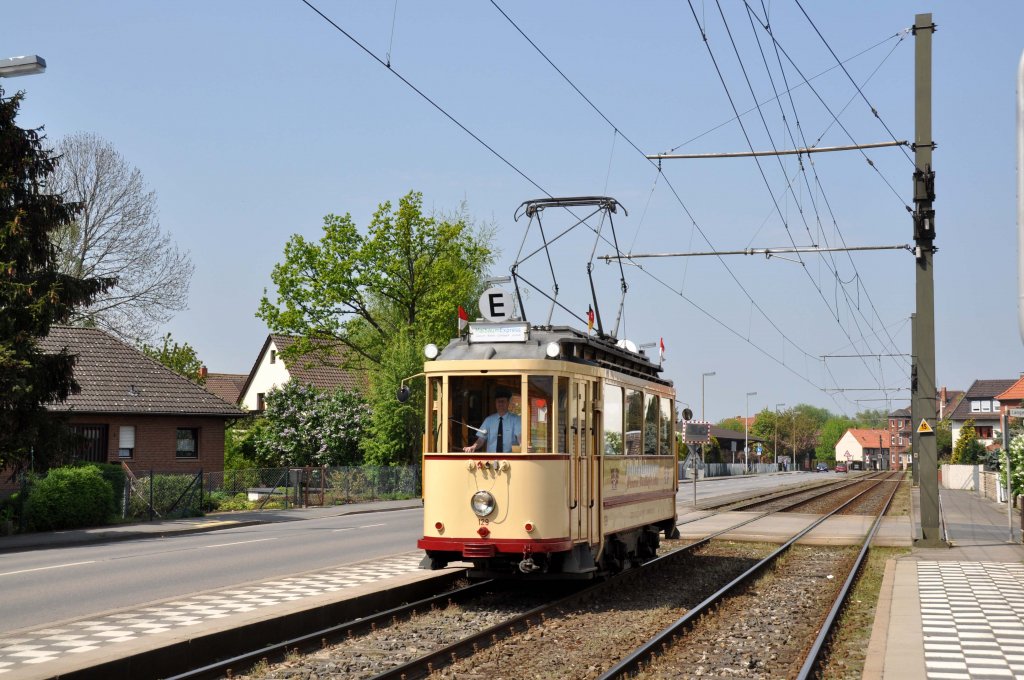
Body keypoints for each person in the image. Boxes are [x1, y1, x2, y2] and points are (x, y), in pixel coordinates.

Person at [464, 388, 521, 453]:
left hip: (511, 459)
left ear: (508, 403)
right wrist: (473, 447)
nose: (500, 404)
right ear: (495, 403)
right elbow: (481, 439)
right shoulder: (488, 420)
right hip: (491, 458)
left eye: (503, 401)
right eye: (498, 401)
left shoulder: (516, 419)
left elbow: (520, 436)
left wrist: (523, 446)